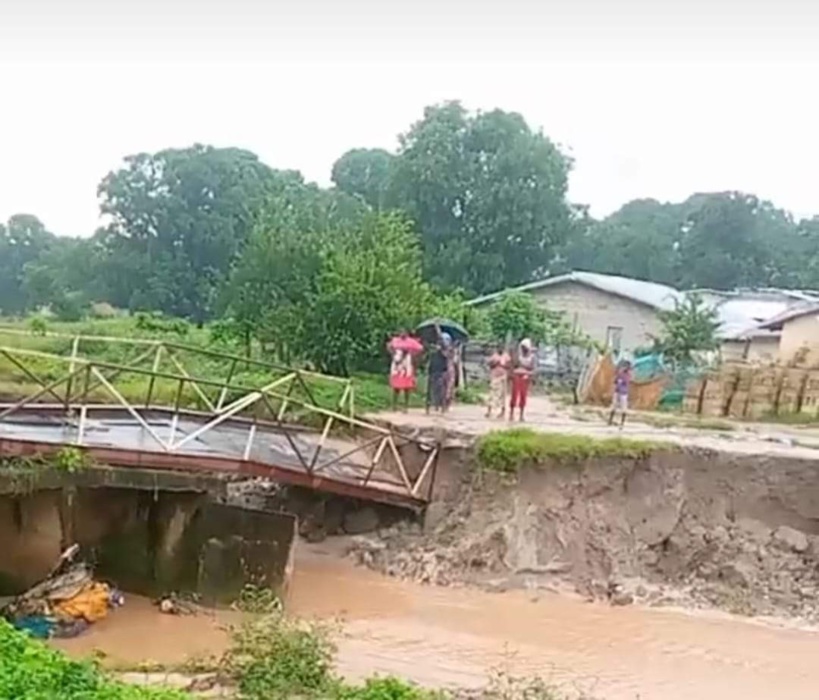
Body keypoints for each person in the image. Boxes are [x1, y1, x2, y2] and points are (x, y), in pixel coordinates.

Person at [388, 331, 417, 412]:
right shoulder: (395, 341)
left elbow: (417, 351)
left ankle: (405, 406)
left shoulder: (411, 343)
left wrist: (409, 353)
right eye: (401, 332)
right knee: (396, 387)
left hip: (406, 366)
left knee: (407, 388)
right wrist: (393, 354)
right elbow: (389, 347)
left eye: (404, 332)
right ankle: (394, 406)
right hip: (397, 365)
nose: (403, 334)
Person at [509, 338, 535, 422]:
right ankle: (511, 413)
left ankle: (521, 415)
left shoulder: (532, 357)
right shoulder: (518, 356)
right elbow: (513, 365)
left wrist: (529, 375)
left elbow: (533, 369)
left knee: (523, 395)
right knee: (514, 394)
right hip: (517, 375)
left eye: (525, 347)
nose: (524, 349)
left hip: (525, 377)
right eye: (523, 347)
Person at [426, 331, 451, 414]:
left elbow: (446, 355)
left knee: (442, 390)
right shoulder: (433, 351)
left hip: (442, 372)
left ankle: (443, 407)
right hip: (433, 371)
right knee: (431, 389)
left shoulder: (446, 351)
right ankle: (430, 406)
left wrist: (437, 329)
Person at [485, 343, 510, 419]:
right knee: (492, 394)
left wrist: (504, 365)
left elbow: (509, 365)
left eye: (502, 348)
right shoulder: (494, 356)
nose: (500, 349)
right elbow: (489, 364)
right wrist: (495, 363)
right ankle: (489, 411)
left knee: (502, 395)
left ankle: (502, 412)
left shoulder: (506, 356)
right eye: (499, 348)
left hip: (503, 376)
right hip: (495, 376)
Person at [609, 360, 632, 428]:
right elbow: (615, 382)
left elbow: (625, 382)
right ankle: (610, 420)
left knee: (623, 408)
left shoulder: (627, 375)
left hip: (623, 393)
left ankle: (622, 422)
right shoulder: (620, 374)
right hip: (617, 391)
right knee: (614, 406)